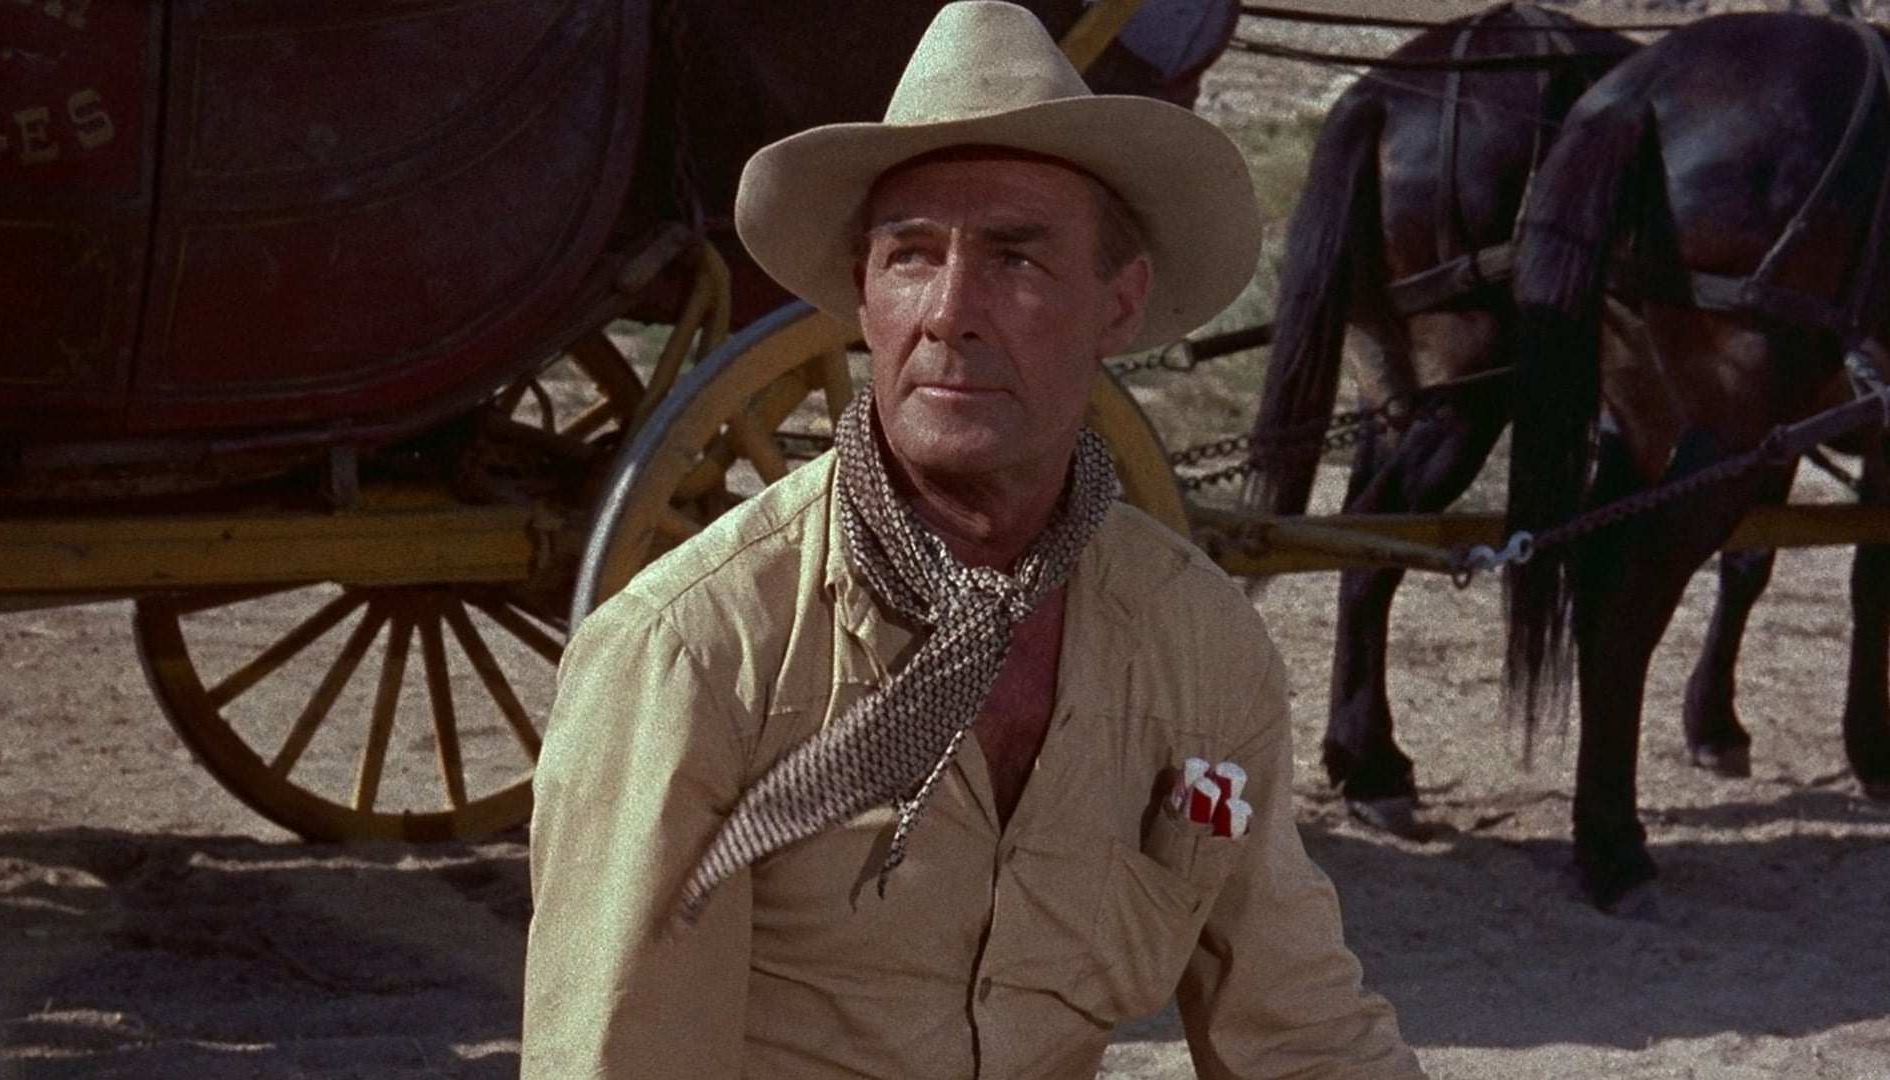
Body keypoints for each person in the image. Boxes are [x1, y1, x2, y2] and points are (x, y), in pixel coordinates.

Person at [521, 3, 1424, 1077]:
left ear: (1120, 303)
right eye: (911, 256)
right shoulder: (693, 658)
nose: (951, 311)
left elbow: (1302, 1031)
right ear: (864, 297)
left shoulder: (1195, 642)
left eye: (1016, 260)